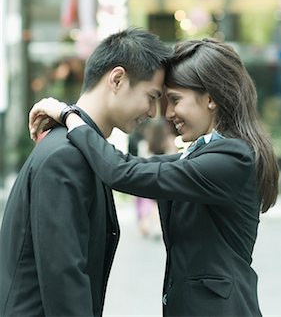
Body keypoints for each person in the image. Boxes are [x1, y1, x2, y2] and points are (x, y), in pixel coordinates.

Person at [29, 38, 279, 317]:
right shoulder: (201, 157)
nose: (167, 114)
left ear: (210, 98)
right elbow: (133, 167)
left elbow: (122, 171)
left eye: (174, 100)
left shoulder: (232, 158)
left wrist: (70, 116)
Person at [0, 28, 171, 317]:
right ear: (117, 79)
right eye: (151, 96)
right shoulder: (66, 156)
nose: (154, 112)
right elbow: (64, 277)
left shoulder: (79, 148)